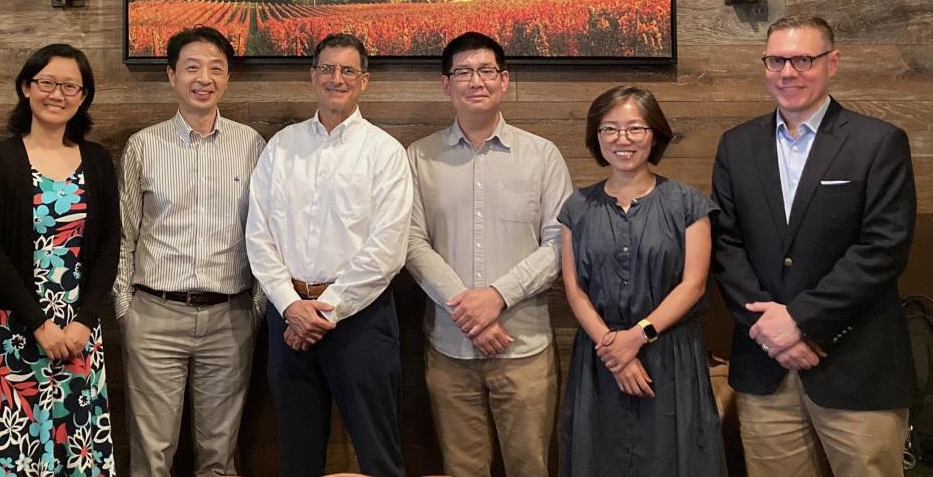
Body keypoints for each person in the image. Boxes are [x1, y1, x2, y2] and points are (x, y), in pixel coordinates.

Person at [711, 15, 916, 477]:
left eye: (803, 59)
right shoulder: (736, 146)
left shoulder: (878, 143)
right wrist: (770, 331)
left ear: (832, 63)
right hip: (766, 368)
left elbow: (883, 249)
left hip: (855, 364)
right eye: (776, 60)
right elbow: (726, 245)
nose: (788, 72)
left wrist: (801, 322)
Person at [405, 32, 573, 476]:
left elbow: (559, 244)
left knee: (530, 466)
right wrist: (467, 310)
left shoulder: (542, 156)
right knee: (461, 468)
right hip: (449, 348)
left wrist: (495, 297)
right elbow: (411, 242)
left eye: (485, 71)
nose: (475, 81)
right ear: (446, 85)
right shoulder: (418, 158)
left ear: (504, 81)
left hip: (524, 349)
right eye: (463, 72)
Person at [246, 33, 411, 477]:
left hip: (361, 320)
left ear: (364, 81)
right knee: (297, 454)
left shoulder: (384, 152)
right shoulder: (282, 147)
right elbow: (258, 234)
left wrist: (324, 311)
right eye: (326, 69)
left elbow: (387, 248)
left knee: (379, 452)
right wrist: (290, 306)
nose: (336, 78)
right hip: (288, 316)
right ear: (312, 75)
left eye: (347, 70)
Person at [112, 27, 265, 477]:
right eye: (193, 67)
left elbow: (264, 232)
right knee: (152, 454)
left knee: (220, 456)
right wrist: (127, 309)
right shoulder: (144, 145)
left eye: (216, 68)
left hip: (230, 317)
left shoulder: (251, 144)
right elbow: (125, 235)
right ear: (171, 75)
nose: (205, 78)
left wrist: (253, 307)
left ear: (228, 77)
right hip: (155, 316)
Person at [558, 85, 727, 476]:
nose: (622, 140)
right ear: (595, 137)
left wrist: (637, 337)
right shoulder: (576, 207)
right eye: (609, 130)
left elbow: (694, 285)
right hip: (601, 358)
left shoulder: (688, 204)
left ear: (655, 134)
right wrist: (614, 350)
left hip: (670, 355)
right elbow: (574, 289)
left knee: (676, 459)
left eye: (635, 128)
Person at [0, 43, 119, 476]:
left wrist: (83, 322)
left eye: (71, 85)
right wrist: (39, 322)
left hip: (78, 334)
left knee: (77, 449)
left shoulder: (97, 161)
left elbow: (109, 246)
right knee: (12, 452)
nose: (58, 94)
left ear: (84, 96)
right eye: (47, 82)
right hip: (13, 332)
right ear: (26, 88)